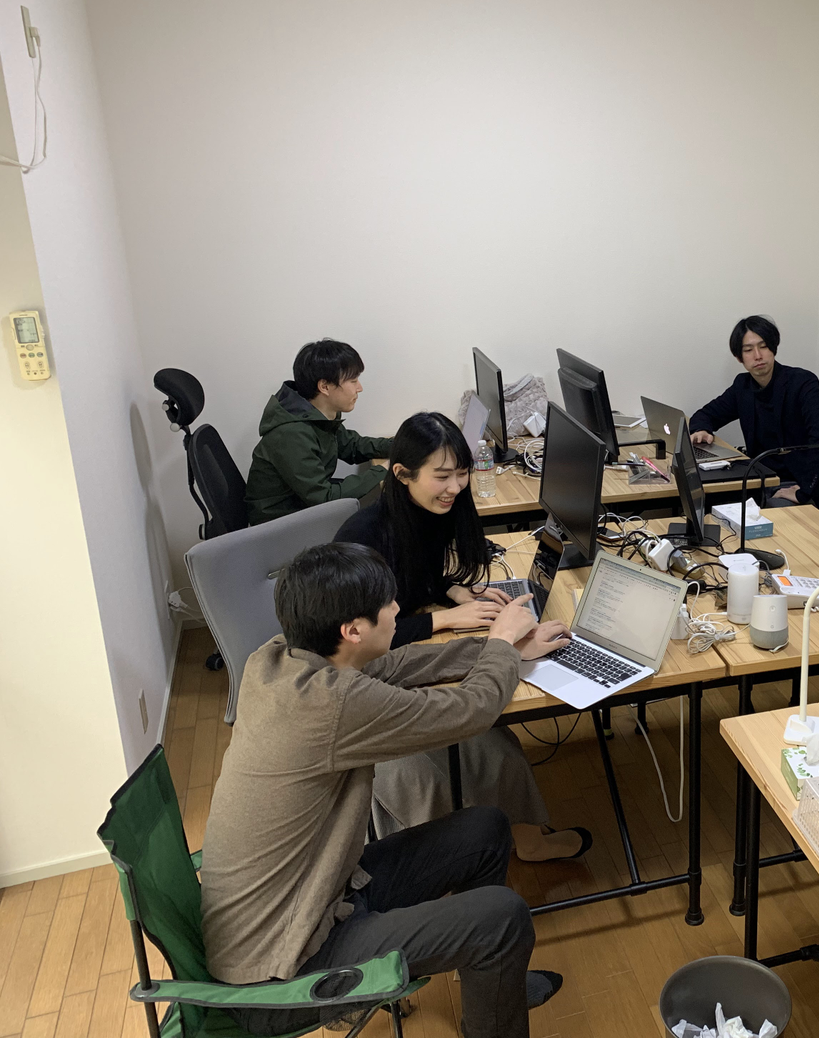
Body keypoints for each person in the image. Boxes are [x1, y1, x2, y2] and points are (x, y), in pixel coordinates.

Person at [200, 542, 572, 1037]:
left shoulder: (274, 660)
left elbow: (392, 667)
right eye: (388, 603)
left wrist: (502, 651)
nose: (398, 608)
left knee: (485, 829)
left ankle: (494, 984)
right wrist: (501, 646)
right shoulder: (333, 706)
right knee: (502, 917)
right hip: (282, 968)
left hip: (318, 897)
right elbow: (472, 712)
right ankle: (494, 981)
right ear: (353, 630)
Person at [336, 411, 591, 863]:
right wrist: (449, 622)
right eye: (442, 476)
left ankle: (528, 842)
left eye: (461, 472)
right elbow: (367, 638)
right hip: (364, 682)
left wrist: (451, 592)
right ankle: (487, 853)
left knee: (495, 744)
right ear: (402, 474)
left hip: (387, 668)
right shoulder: (365, 538)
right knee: (488, 743)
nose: (455, 487)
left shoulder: (421, 512)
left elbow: (410, 578)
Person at [689, 314, 819, 513]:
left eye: (763, 346)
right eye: (748, 350)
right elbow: (706, 414)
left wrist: (804, 491)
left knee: (767, 516)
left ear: (773, 348)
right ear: (739, 357)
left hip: (797, 482)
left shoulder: (802, 382)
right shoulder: (742, 386)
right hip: (759, 478)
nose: (758, 355)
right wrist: (701, 429)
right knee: (704, 502)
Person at [245, 338, 392, 525]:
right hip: (278, 523)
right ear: (324, 387)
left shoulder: (319, 415)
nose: (359, 388)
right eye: (353, 380)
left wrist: (399, 444)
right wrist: (383, 470)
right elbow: (325, 499)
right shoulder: (292, 433)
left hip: (302, 506)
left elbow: (352, 446)